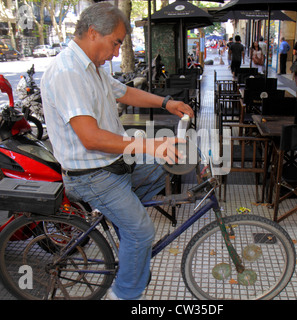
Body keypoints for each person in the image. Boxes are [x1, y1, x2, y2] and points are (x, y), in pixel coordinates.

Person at [40, 2, 193, 300]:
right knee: (142, 232)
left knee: (163, 165)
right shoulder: (68, 72)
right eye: (115, 44)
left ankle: (127, 236)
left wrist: (166, 103)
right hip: (92, 175)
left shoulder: (92, 68)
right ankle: (123, 294)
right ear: (93, 33)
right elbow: (92, 138)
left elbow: (124, 91)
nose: (115, 53)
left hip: (115, 164)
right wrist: (153, 144)